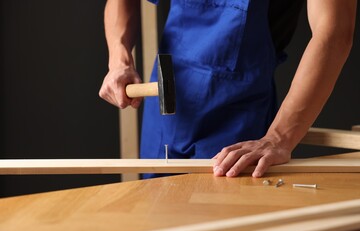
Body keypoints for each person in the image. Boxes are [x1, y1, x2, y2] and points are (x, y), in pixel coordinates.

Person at [99, 0, 357, 178]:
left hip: (237, 124)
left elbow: (334, 31)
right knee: (156, 218)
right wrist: (119, 59)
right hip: (164, 118)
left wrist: (278, 138)